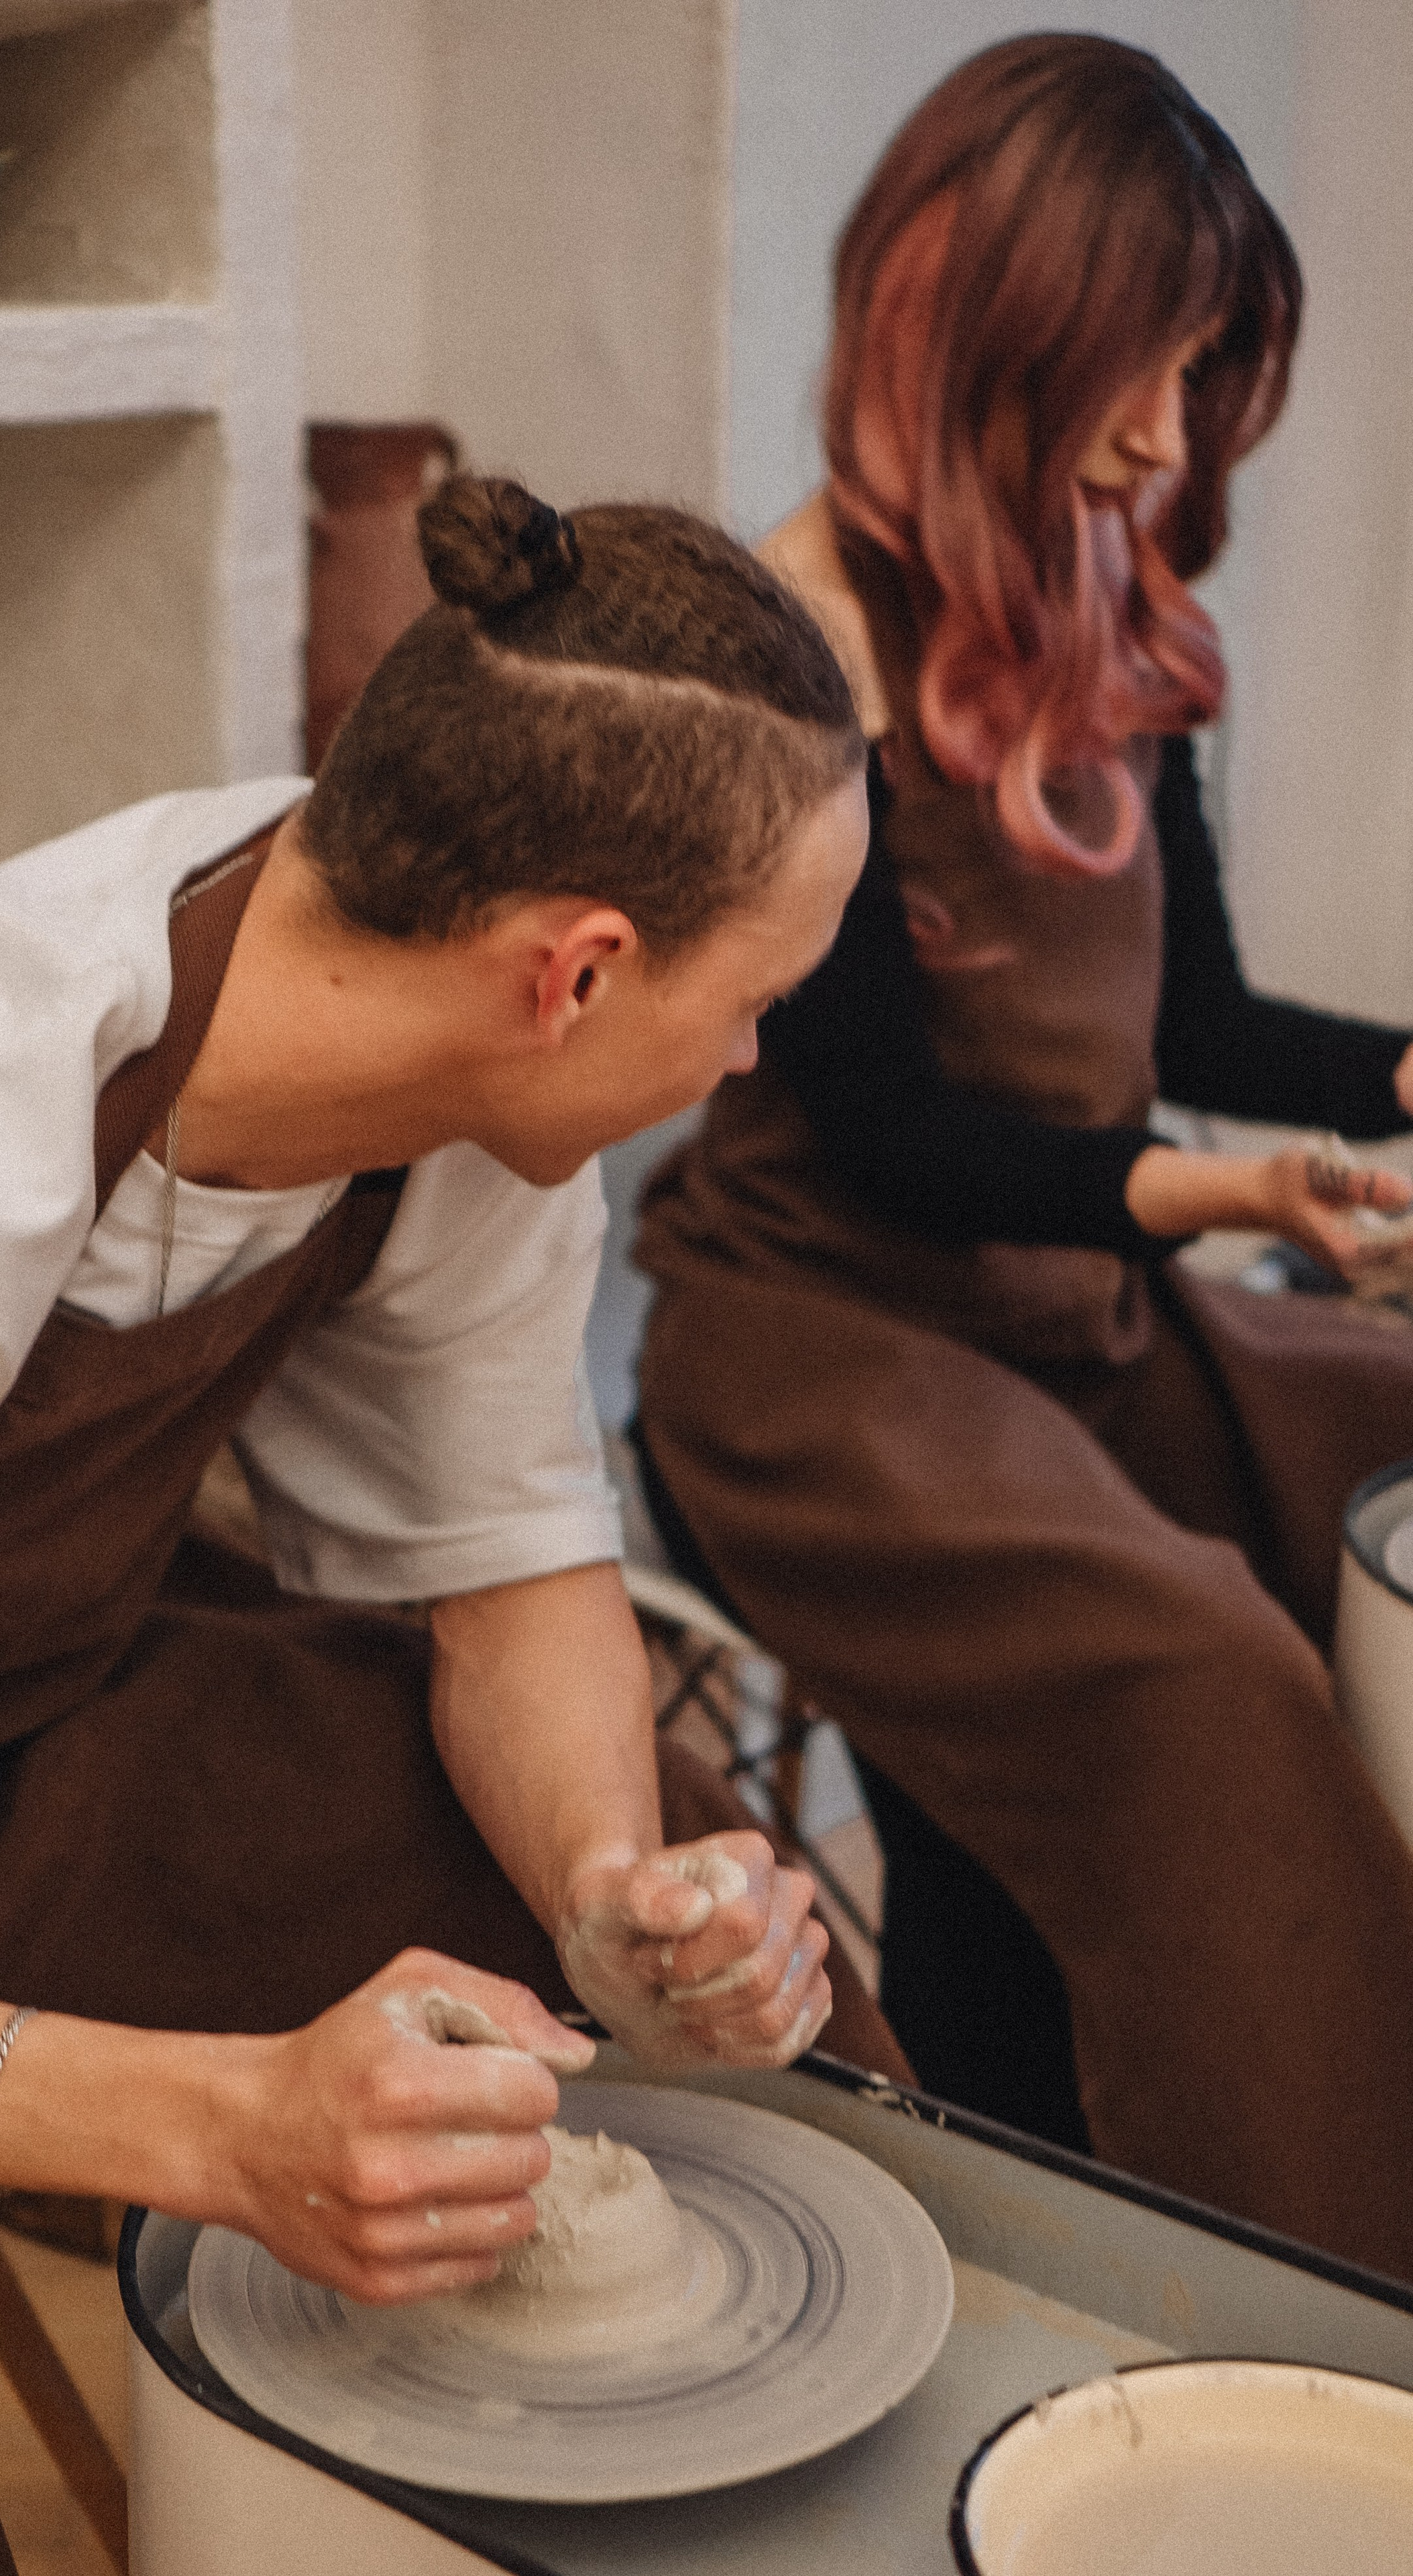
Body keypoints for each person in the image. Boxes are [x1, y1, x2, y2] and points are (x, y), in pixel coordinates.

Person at [0, 476, 890, 2573]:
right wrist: (208, 2128)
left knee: (616, 1883)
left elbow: (513, 1576)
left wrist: (618, 1898)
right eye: (754, 1001)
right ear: (578, 973)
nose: (749, 1057)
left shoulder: (448, 1069)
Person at [632, 34, 1413, 2280]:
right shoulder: (793, 648)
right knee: (1207, 1685)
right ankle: (1311, 2289)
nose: (1171, 441)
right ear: (985, 332)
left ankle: (1270, 2140)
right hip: (817, 1347)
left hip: (1069, 1302)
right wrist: (1226, 1196)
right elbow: (898, 1138)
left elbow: (1196, 1031)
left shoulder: (1105, 593)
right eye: (1140, 375)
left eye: (1200, 379)